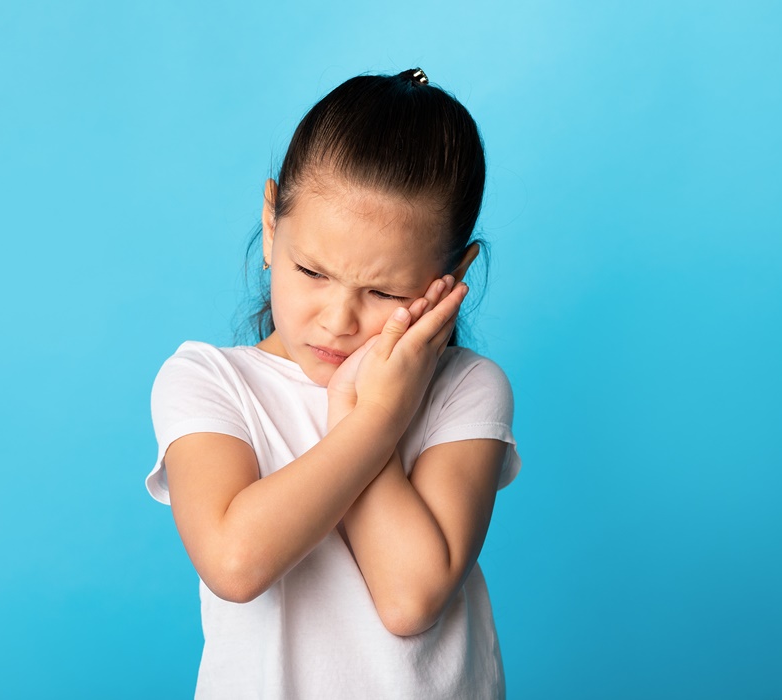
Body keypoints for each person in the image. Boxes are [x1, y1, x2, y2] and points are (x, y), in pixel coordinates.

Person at [145, 67, 522, 699]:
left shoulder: (467, 389)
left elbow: (409, 599)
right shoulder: (209, 382)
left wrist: (363, 410)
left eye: (384, 291)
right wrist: (373, 420)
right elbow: (236, 563)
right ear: (271, 226)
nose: (338, 319)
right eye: (311, 271)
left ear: (453, 279)